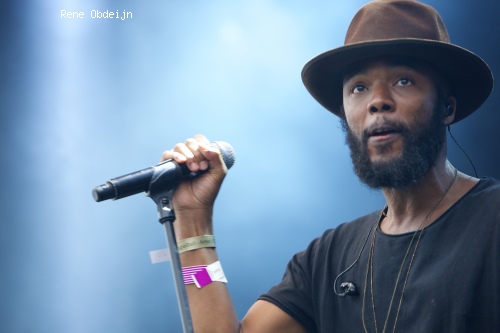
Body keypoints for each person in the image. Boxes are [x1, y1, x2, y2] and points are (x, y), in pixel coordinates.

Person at [160, 1, 499, 332]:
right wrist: (193, 224)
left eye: (403, 81)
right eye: (359, 87)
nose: (377, 101)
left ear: (447, 107)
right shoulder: (327, 258)